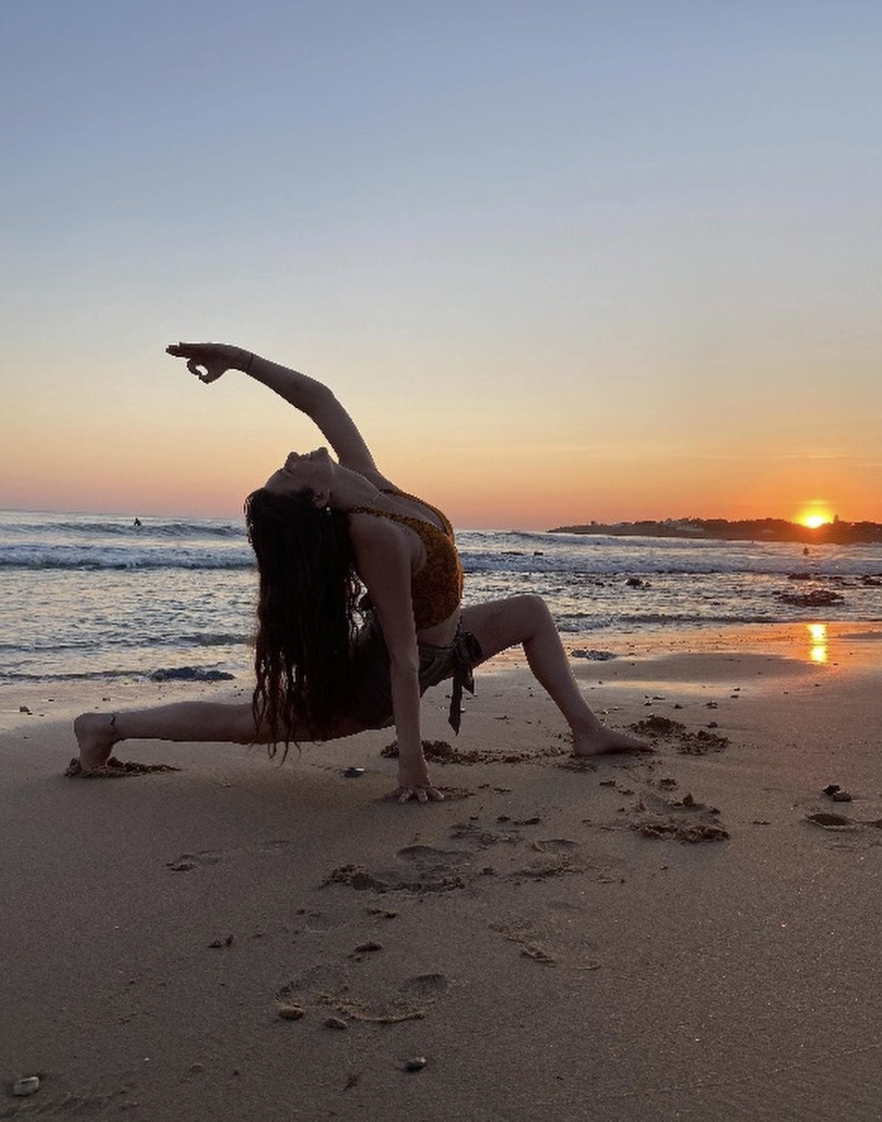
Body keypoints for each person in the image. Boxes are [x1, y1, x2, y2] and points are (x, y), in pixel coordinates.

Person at [73, 343, 648, 802]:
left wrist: (239, 359)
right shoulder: (372, 534)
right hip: (382, 677)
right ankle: (106, 725)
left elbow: (318, 399)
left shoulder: (372, 486)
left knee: (530, 611)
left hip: (444, 645)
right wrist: (413, 768)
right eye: (287, 471)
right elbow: (401, 659)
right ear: (320, 495)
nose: (292, 457)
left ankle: (587, 732)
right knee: (249, 720)